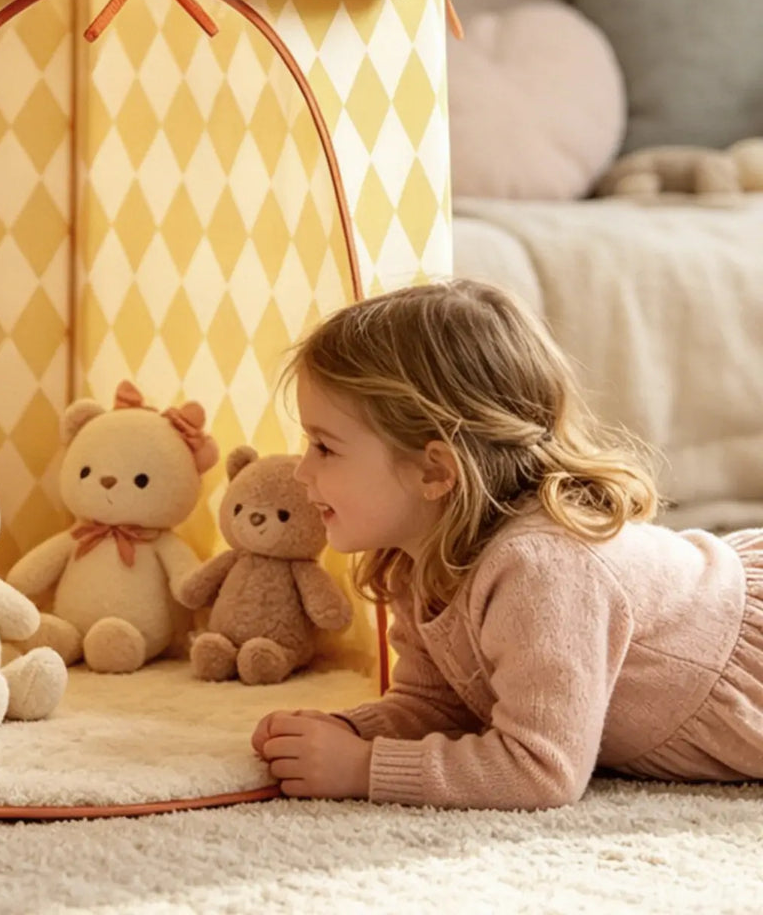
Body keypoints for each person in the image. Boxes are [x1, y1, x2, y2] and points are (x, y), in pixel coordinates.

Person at [253, 279, 763, 809]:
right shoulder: (419, 554)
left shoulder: (543, 568)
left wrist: (363, 768)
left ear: (434, 470)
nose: (302, 471)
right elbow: (439, 707)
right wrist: (343, 733)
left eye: (324, 447)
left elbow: (541, 770)